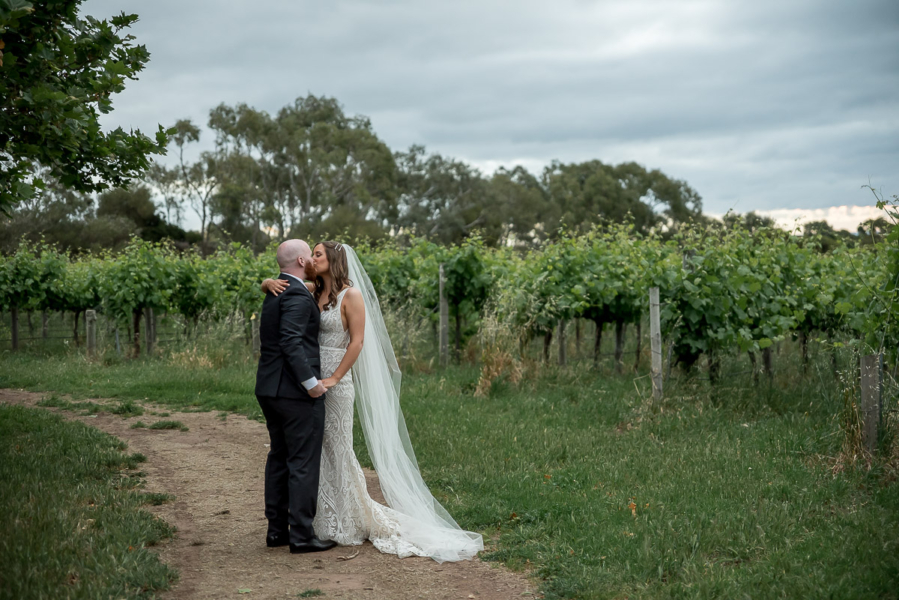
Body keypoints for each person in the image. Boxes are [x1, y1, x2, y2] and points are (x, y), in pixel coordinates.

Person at [261, 241, 483, 562]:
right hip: (307, 379)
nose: (313, 258)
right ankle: (318, 518)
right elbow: (287, 287)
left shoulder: (351, 295)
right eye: (312, 254)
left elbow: (358, 341)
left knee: (337, 447)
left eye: (319, 254)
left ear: (334, 260)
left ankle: (346, 517)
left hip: (334, 380)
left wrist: (335, 378)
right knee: (312, 451)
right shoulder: (312, 291)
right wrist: (265, 282)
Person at [254, 239, 338, 554]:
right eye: (311, 256)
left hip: (268, 388)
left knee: (279, 457)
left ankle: (277, 531)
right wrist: (312, 384)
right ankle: (302, 535)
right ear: (303, 261)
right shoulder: (298, 297)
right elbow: (291, 342)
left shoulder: (276, 290)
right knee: (302, 461)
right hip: (294, 393)